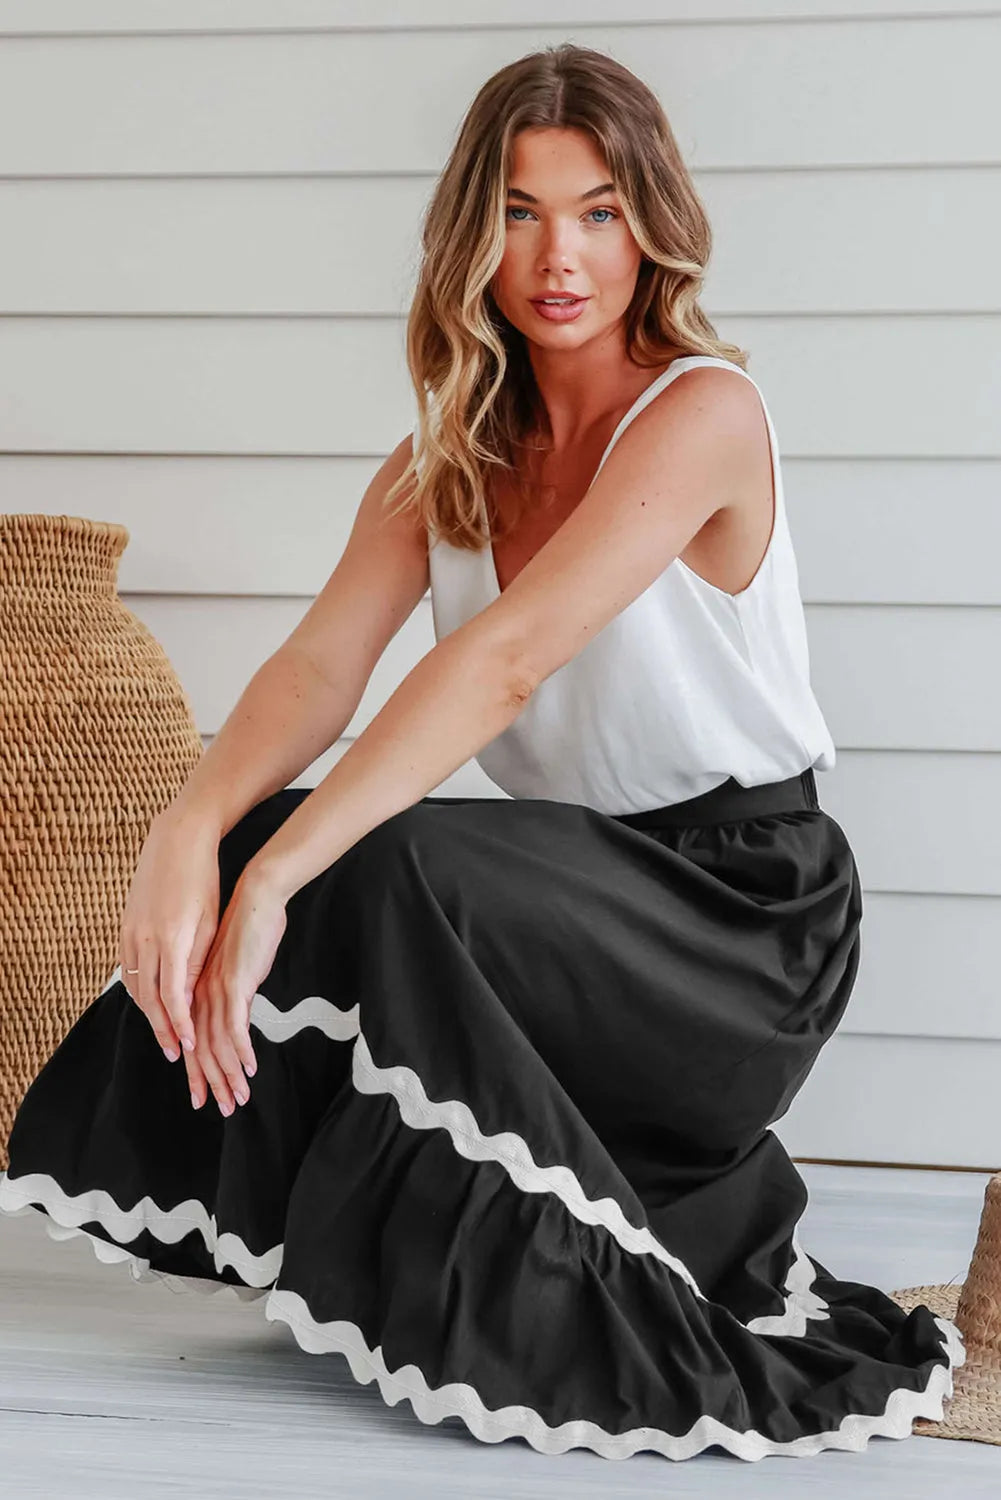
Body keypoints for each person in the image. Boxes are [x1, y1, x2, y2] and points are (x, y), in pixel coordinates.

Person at [0, 42, 963, 1463]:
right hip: (583, 895)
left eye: (597, 212)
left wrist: (277, 882)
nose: (558, 256)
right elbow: (317, 668)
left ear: (651, 226)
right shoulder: (443, 459)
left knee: (372, 857)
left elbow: (505, 663)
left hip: (744, 921)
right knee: (279, 833)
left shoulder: (702, 412)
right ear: (471, 235)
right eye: (519, 212)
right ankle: (292, 1220)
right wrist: (190, 833)